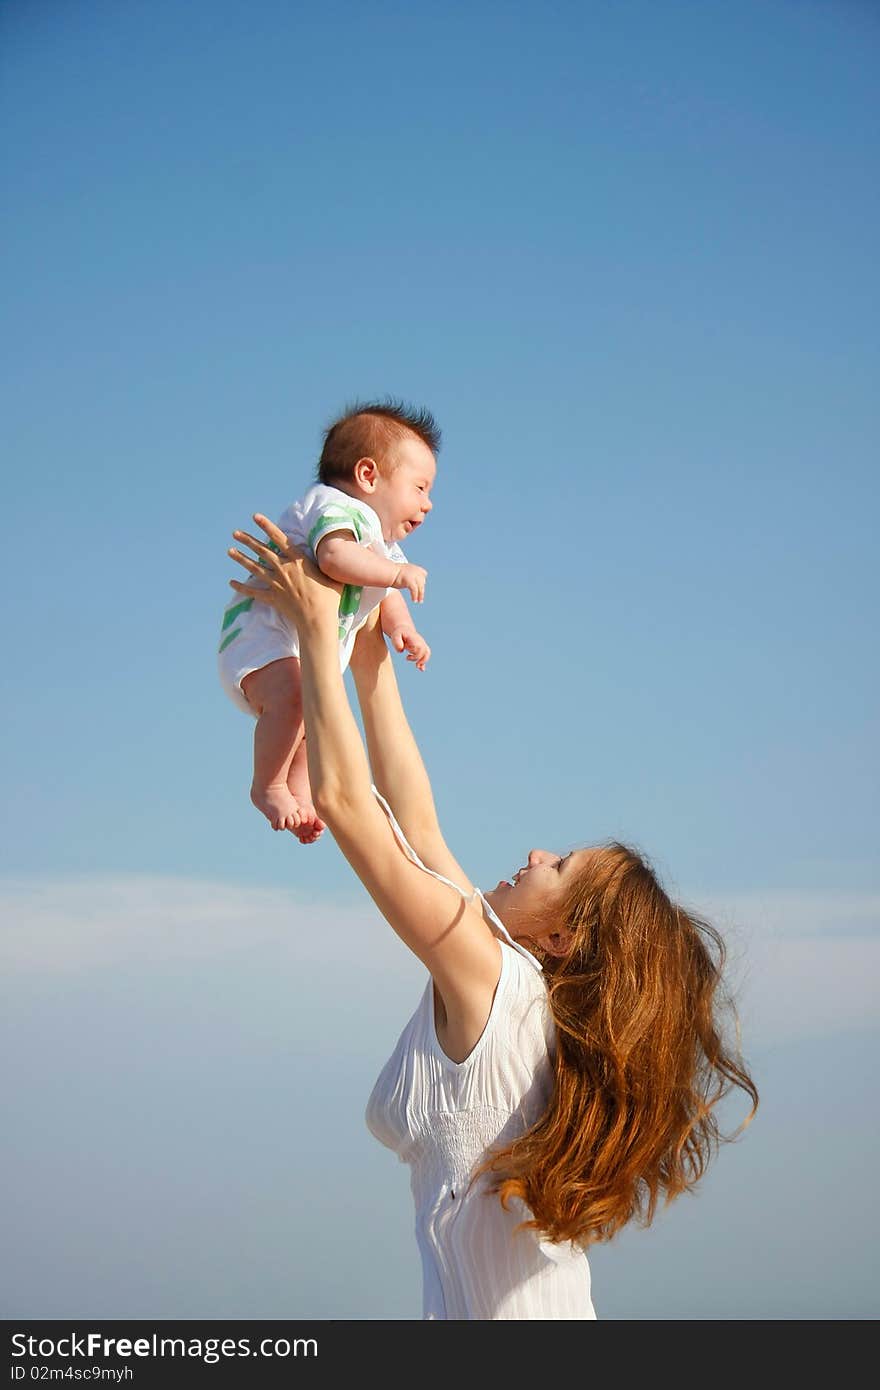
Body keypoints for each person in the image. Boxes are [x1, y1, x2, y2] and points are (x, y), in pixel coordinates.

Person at [226, 517, 759, 1321]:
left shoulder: (497, 984)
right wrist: (364, 632)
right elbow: (417, 819)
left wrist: (309, 624)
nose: (538, 852)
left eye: (561, 868)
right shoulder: (513, 994)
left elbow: (346, 803)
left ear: (561, 939)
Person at [218, 399, 437, 844]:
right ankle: (268, 786)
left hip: (300, 649)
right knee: (297, 702)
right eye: (419, 488)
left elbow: (384, 592)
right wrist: (396, 574)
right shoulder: (335, 507)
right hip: (263, 639)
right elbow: (336, 557)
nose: (428, 504)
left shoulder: (377, 538)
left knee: (315, 719)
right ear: (367, 475)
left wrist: (402, 629)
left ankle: (299, 794)